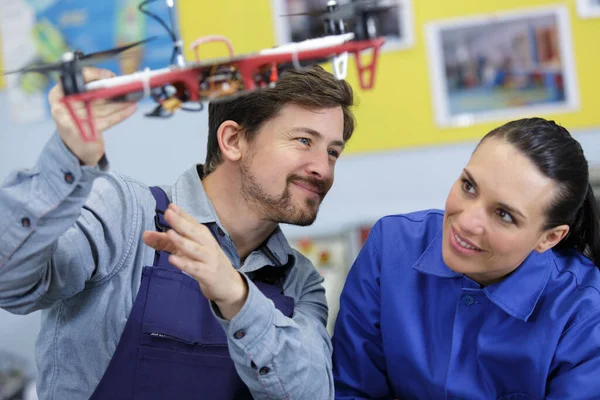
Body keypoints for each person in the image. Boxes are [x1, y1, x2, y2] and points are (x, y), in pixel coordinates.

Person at [0, 64, 355, 399]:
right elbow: (12, 283)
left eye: (333, 152)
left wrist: (238, 297)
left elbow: (312, 393)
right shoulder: (123, 215)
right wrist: (66, 159)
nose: (322, 169)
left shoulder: (298, 280)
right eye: (304, 141)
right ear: (233, 140)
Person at [332, 117, 600, 399]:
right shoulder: (390, 247)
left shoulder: (585, 313)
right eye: (469, 186)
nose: (467, 221)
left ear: (549, 238)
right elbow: (351, 389)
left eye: (504, 214)